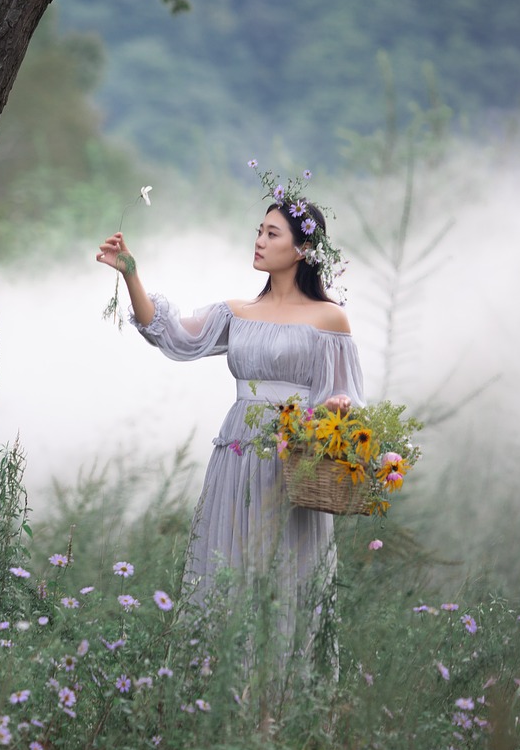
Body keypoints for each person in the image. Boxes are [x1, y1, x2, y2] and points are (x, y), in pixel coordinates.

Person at [96, 180, 364, 669]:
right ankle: (216, 696)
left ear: (303, 249)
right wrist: (130, 273)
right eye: (258, 231)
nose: (259, 240)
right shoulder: (238, 313)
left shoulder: (330, 320)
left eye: (273, 234)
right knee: (228, 566)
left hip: (295, 465)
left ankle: (279, 705)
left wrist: (334, 415)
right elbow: (171, 333)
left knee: (289, 575)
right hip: (238, 455)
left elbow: (345, 402)